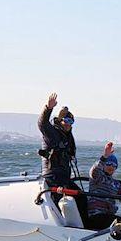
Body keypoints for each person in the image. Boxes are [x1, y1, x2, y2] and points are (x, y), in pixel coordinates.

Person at [38, 92, 88, 221]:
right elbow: (42, 123)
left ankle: (86, 224)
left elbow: (71, 153)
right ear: (60, 121)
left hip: (64, 176)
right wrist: (48, 108)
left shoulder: (68, 136)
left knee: (81, 197)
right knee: (61, 199)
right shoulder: (52, 132)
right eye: (66, 121)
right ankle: (63, 225)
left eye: (71, 122)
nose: (68, 124)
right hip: (52, 176)